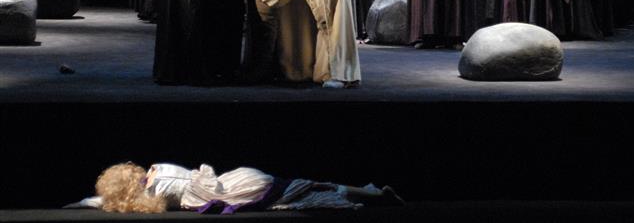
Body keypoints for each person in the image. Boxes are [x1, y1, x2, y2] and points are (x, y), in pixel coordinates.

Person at [88, 162, 402, 213]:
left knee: (305, 191)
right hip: (237, 179)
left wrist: (94, 201)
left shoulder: (152, 195)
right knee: (307, 187)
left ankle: (374, 194)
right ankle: (373, 192)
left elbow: (98, 202)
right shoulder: (158, 168)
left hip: (236, 189)